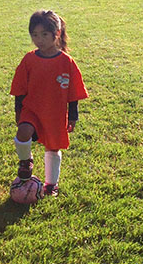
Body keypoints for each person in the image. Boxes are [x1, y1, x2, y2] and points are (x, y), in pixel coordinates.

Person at [9, 10, 89, 197]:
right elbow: (19, 88)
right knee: (23, 132)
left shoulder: (66, 62)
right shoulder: (29, 59)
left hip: (55, 113)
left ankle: (51, 184)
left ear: (57, 34)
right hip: (32, 110)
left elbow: (73, 92)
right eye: (35, 35)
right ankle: (25, 162)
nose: (39, 40)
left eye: (44, 35)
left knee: (53, 147)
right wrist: (18, 112)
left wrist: (73, 115)